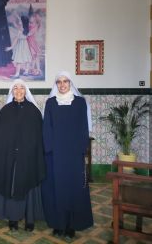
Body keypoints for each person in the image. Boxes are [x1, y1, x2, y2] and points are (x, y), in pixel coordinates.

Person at [41, 71, 93, 239]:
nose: (62, 85)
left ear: (70, 83)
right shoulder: (50, 103)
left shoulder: (80, 103)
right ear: (56, 85)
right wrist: (49, 149)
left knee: (72, 190)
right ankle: (58, 224)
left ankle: (71, 225)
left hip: (73, 155)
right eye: (59, 82)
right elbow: (46, 128)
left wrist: (81, 149)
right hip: (55, 155)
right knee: (56, 190)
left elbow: (83, 127)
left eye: (65, 82)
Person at [0, 79, 45, 231]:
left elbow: (39, 137)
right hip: (9, 158)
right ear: (12, 91)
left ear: (25, 91)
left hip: (28, 158)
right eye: (15, 88)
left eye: (21, 88)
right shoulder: (5, 110)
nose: (19, 91)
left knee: (29, 186)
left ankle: (30, 220)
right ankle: (13, 220)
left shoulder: (34, 111)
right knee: (11, 186)